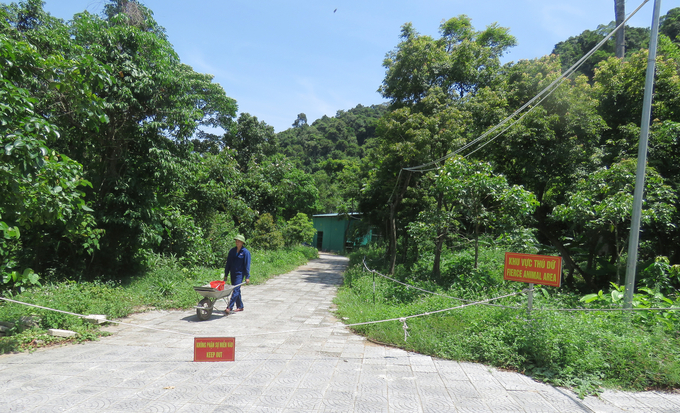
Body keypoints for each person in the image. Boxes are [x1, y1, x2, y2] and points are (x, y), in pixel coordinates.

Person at [224, 234, 251, 313]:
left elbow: (247, 265)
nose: (237, 242)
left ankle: (229, 307)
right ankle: (240, 306)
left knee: (235, 290)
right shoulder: (232, 251)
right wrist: (226, 275)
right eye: (236, 241)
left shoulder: (245, 252)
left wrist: (247, 276)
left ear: (242, 242)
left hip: (240, 274)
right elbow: (228, 264)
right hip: (233, 273)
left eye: (239, 241)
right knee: (237, 290)